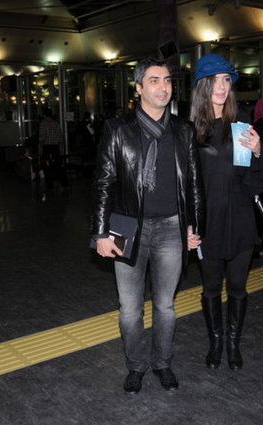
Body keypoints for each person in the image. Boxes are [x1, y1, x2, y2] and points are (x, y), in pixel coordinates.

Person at [92, 57, 204, 394]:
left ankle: (163, 363)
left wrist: (193, 225)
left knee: (165, 306)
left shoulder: (183, 130)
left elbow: (194, 184)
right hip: (127, 227)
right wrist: (100, 232)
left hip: (172, 227)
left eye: (168, 80)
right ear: (138, 88)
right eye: (154, 80)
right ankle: (136, 365)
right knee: (129, 310)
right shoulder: (118, 129)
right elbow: (104, 182)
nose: (163, 87)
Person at [189, 54, 263, 370]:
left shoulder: (241, 124)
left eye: (226, 80)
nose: (222, 87)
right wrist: (188, 226)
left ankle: (233, 344)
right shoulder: (190, 130)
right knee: (211, 288)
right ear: (202, 86)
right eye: (215, 80)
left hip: (241, 219)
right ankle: (216, 343)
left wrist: (260, 151)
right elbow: (184, 184)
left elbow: (255, 181)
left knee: (237, 286)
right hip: (209, 221)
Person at [38, 108, 68, 189]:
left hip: (47, 147)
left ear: (44, 114)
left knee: (47, 165)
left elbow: (42, 138)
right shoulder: (56, 123)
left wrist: (40, 148)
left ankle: (50, 184)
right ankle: (64, 182)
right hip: (55, 147)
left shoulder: (43, 123)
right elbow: (60, 136)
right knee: (58, 165)